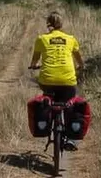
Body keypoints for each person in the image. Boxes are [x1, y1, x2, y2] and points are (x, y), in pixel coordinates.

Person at [29, 11, 84, 149]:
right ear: (62, 24)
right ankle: (71, 139)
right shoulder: (70, 39)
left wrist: (34, 65)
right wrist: (81, 66)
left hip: (47, 81)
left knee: (48, 99)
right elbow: (78, 58)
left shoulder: (42, 39)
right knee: (69, 104)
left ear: (48, 23)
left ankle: (47, 122)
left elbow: (35, 59)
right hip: (68, 81)